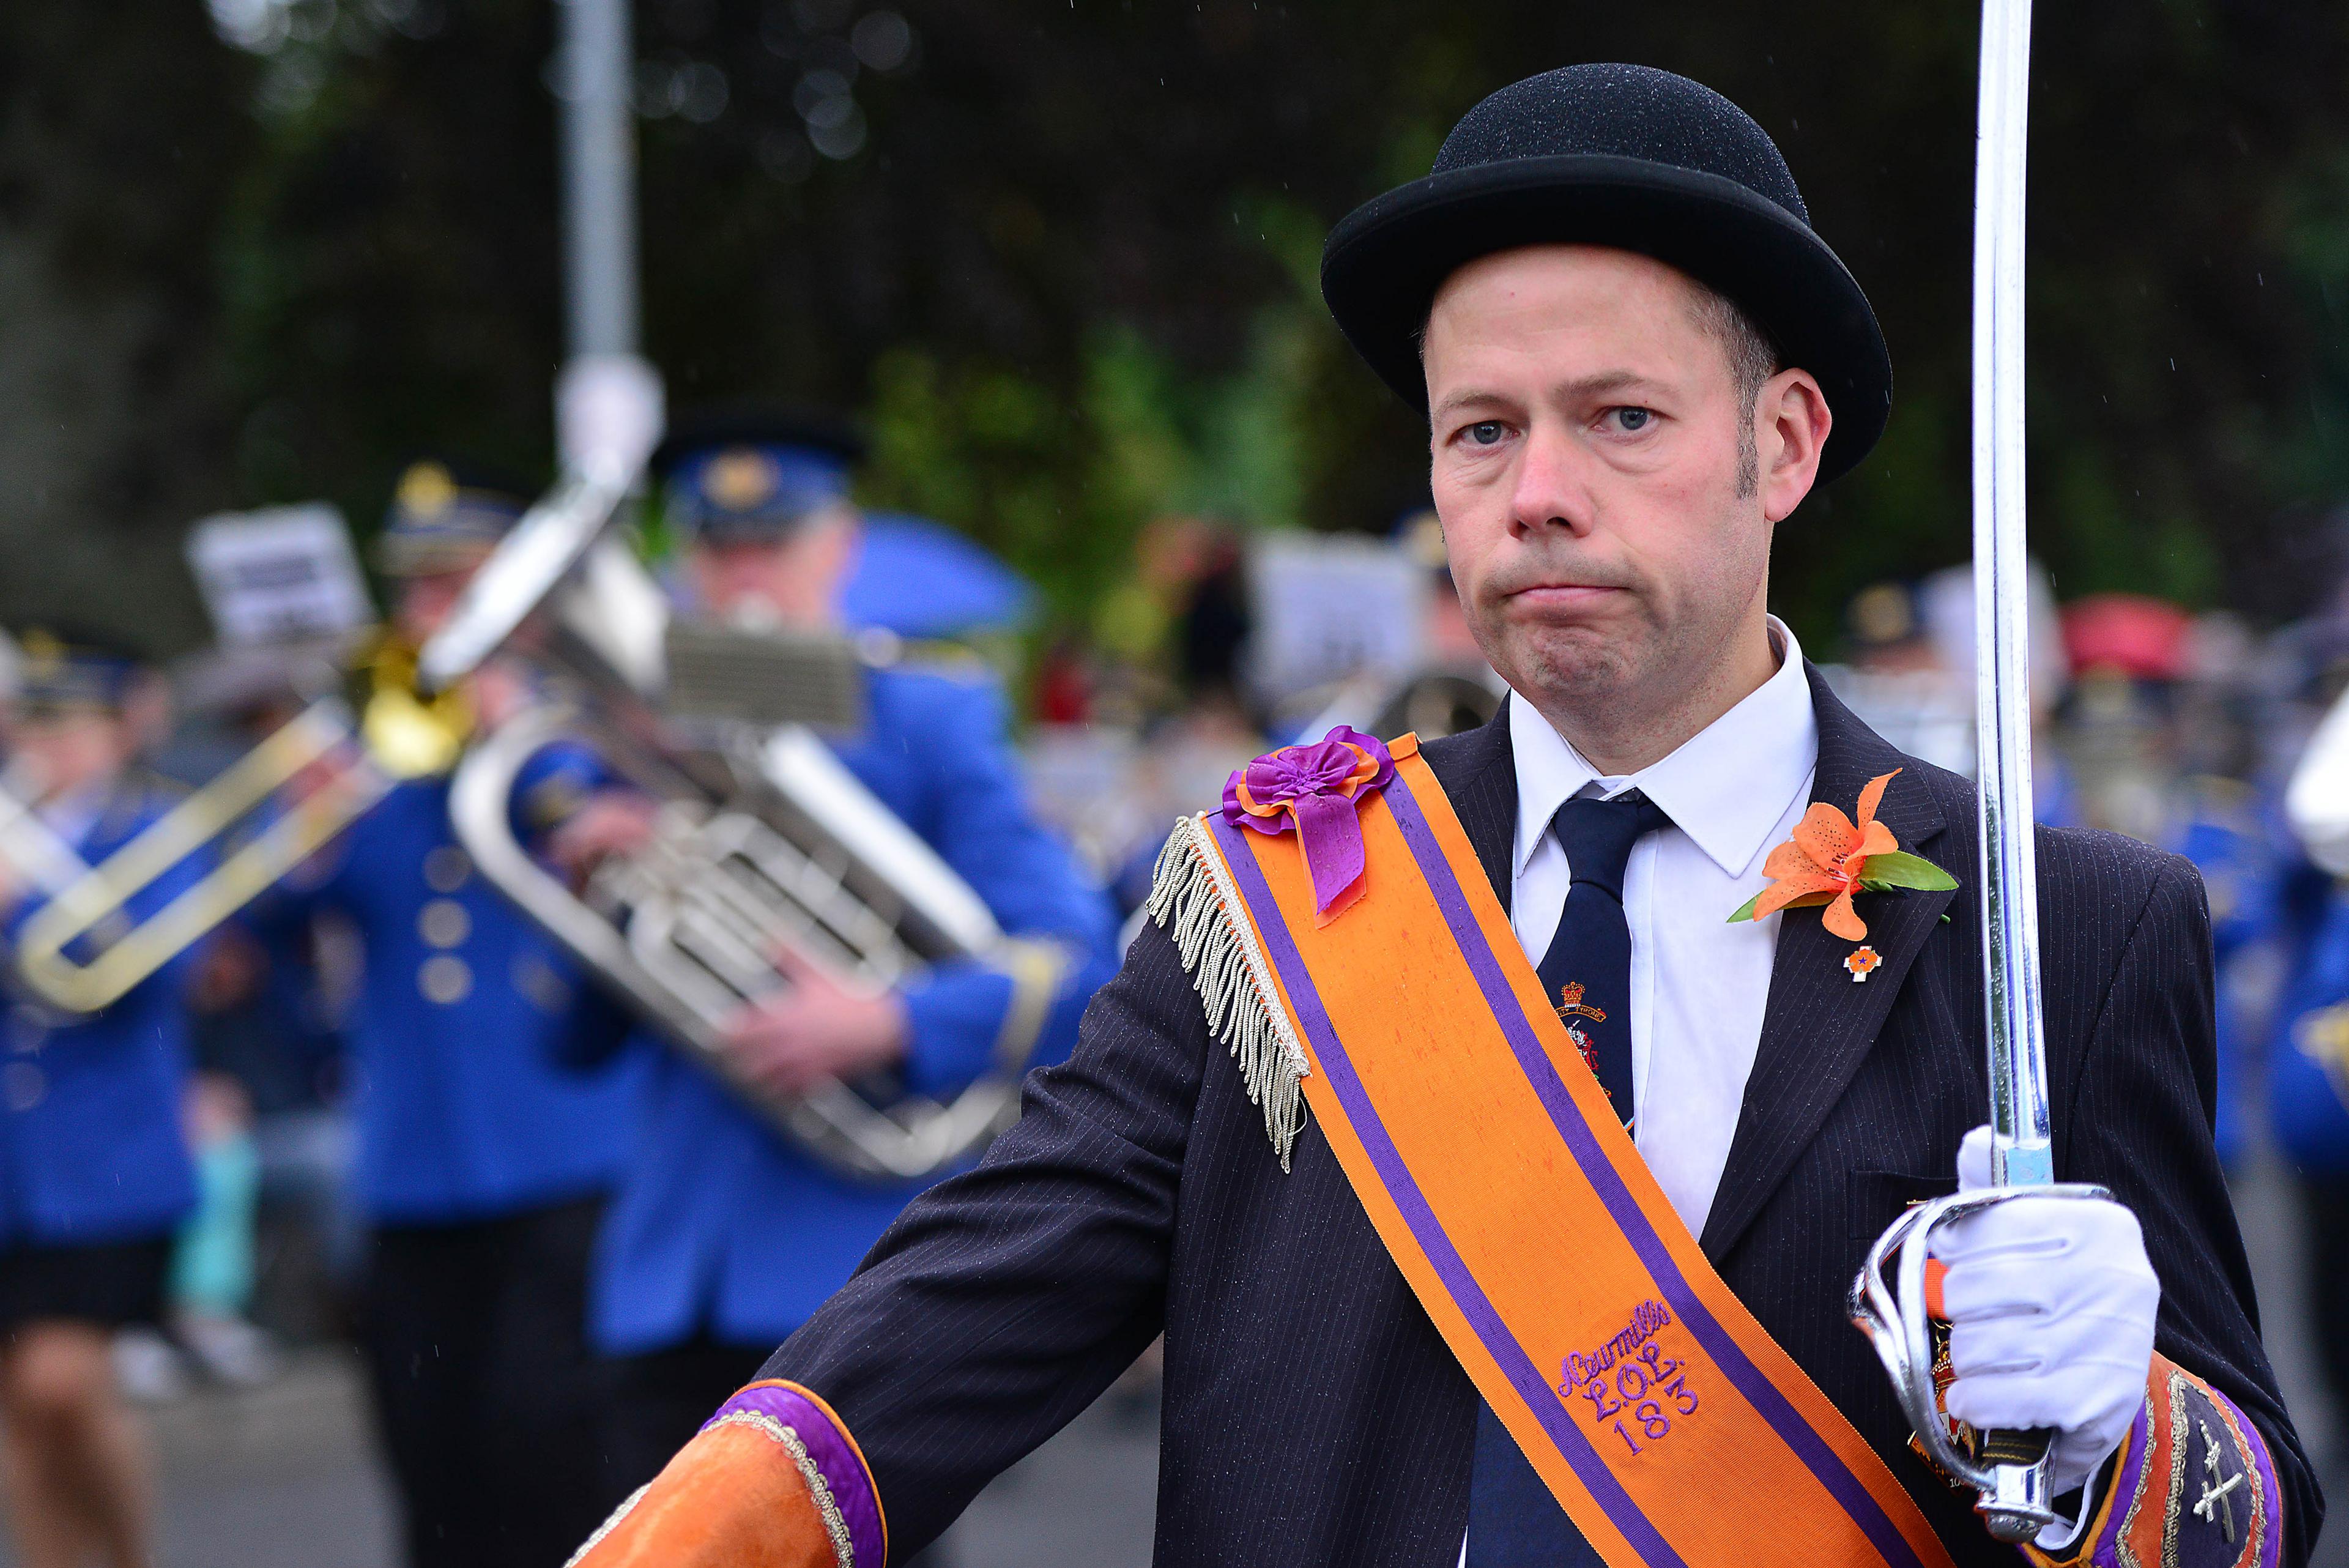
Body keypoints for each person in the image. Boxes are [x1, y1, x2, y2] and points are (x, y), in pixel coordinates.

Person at [574, 67, 2315, 1568]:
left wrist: (2113, 1431)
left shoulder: (2064, 928)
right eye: (1481, 431)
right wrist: (698, 1526)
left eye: (1620, 419)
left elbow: (2249, 1506)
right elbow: (990, 1283)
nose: (1537, 495)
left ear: (1781, 446)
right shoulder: (1268, 896)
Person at [554, 415, 1121, 1496]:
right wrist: (597, 895)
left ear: (838, 547)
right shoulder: (631, 743)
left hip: (856, 1273)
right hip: (668, 1275)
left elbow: (1077, 965)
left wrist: (890, 1022)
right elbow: (572, 1047)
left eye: (775, 542)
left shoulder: (926, 714)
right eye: (719, 547)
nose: (745, 575)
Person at [262, 459, 636, 1568]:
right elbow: (282, 921)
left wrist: (508, 728)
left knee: (554, 1456)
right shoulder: (371, 760)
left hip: (564, 1153)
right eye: (416, 587)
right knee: (431, 1474)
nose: (430, 612)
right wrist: (311, 821)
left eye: (455, 585)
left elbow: (593, 842)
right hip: (411, 1164)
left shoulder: (577, 735)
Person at [0, 630, 202, 1568]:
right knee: (18, 1408)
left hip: (107, 1159)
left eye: (71, 722)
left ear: (122, 728)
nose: (48, 744)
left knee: (62, 1384)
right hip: (13, 1169)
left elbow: (127, 969)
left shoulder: (151, 830)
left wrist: (22, 902)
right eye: (35, 720)